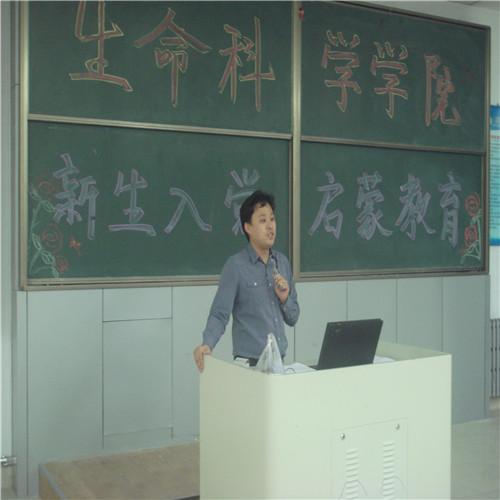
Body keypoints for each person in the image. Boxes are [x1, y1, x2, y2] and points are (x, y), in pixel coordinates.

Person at [193, 190, 300, 372]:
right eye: (263, 220)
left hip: (278, 365)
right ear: (248, 228)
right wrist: (207, 344)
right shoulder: (236, 266)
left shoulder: (282, 263)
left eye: (272, 219)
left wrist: (284, 299)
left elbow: (293, 317)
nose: (270, 226)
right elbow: (219, 314)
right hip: (249, 367)